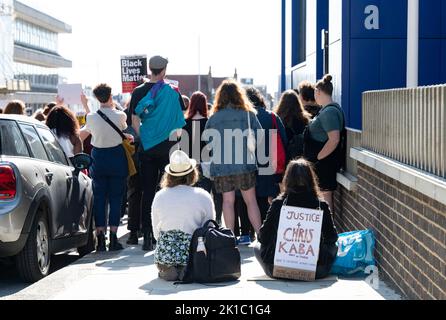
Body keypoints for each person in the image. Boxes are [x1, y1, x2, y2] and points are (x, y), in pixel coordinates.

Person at [130, 55, 186, 251]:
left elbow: (134, 120)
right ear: (164, 71)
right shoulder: (172, 92)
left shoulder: (137, 92)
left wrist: (144, 137)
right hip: (168, 147)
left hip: (147, 147)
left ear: (150, 69)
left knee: (147, 191)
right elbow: (179, 122)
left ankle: (147, 234)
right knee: (169, 189)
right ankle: (167, 231)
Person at [254, 159, 339, 280]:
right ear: (311, 179)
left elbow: (263, 237)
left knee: (256, 246)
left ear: (287, 179)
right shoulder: (321, 205)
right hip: (315, 271)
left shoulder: (278, 204)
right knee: (335, 245)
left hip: (277, 269)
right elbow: (332, 238)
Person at [205, 80, 263, 236]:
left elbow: (208, 142)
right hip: (244, 165)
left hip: (222, 166)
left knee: (228, 202)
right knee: (251, 201)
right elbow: (259, 136)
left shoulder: (214, 118)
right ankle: (260, 235)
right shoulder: (248, 115)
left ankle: (229, 239)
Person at [80, 83, 132, 252]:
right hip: (116, 158)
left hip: (99, 158)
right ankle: (114, 237)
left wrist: (87, 106)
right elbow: (122, 129)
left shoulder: (91, 117)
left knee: (100, 199)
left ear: (96, 98)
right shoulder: (120, 115)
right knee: (116, 198)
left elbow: (91, 126)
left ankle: (100, 238)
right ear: (110, 96)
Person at [152, 150, 215, 281]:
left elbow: (156, 233)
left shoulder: (160, 196)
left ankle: (172, 270)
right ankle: (186, 269)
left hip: (166, 255)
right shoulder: (203, 195)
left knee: (168, 269)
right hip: (196, 253)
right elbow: (210, 227)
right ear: (192, 173)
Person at [246, 87, 288, 227]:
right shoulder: (271, 116)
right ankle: (270, 230)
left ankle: (256, 233)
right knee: (269, 200)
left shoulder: (243, 118)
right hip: (270, 164)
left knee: (252, 200)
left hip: (249, 165)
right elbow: (284, 139)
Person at [304, 74, 346, 213]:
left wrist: (318, 158)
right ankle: (323, 231)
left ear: (318, 91)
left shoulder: (329, 112)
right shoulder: (327, 110)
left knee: (325, 196)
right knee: (321, 198)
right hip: (322, 164)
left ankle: (327, 232)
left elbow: (334, 139)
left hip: (324, 165)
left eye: (315, 92)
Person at [182, 91, 212, 192]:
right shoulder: (209, 123)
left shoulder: (184, 123)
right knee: (205, 195)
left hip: (188, 165)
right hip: (206, 165)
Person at [275, 90, 311, 162]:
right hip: (300, 156)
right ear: (297, 102)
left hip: (282, 156)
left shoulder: (278, 119)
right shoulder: (304, 119)